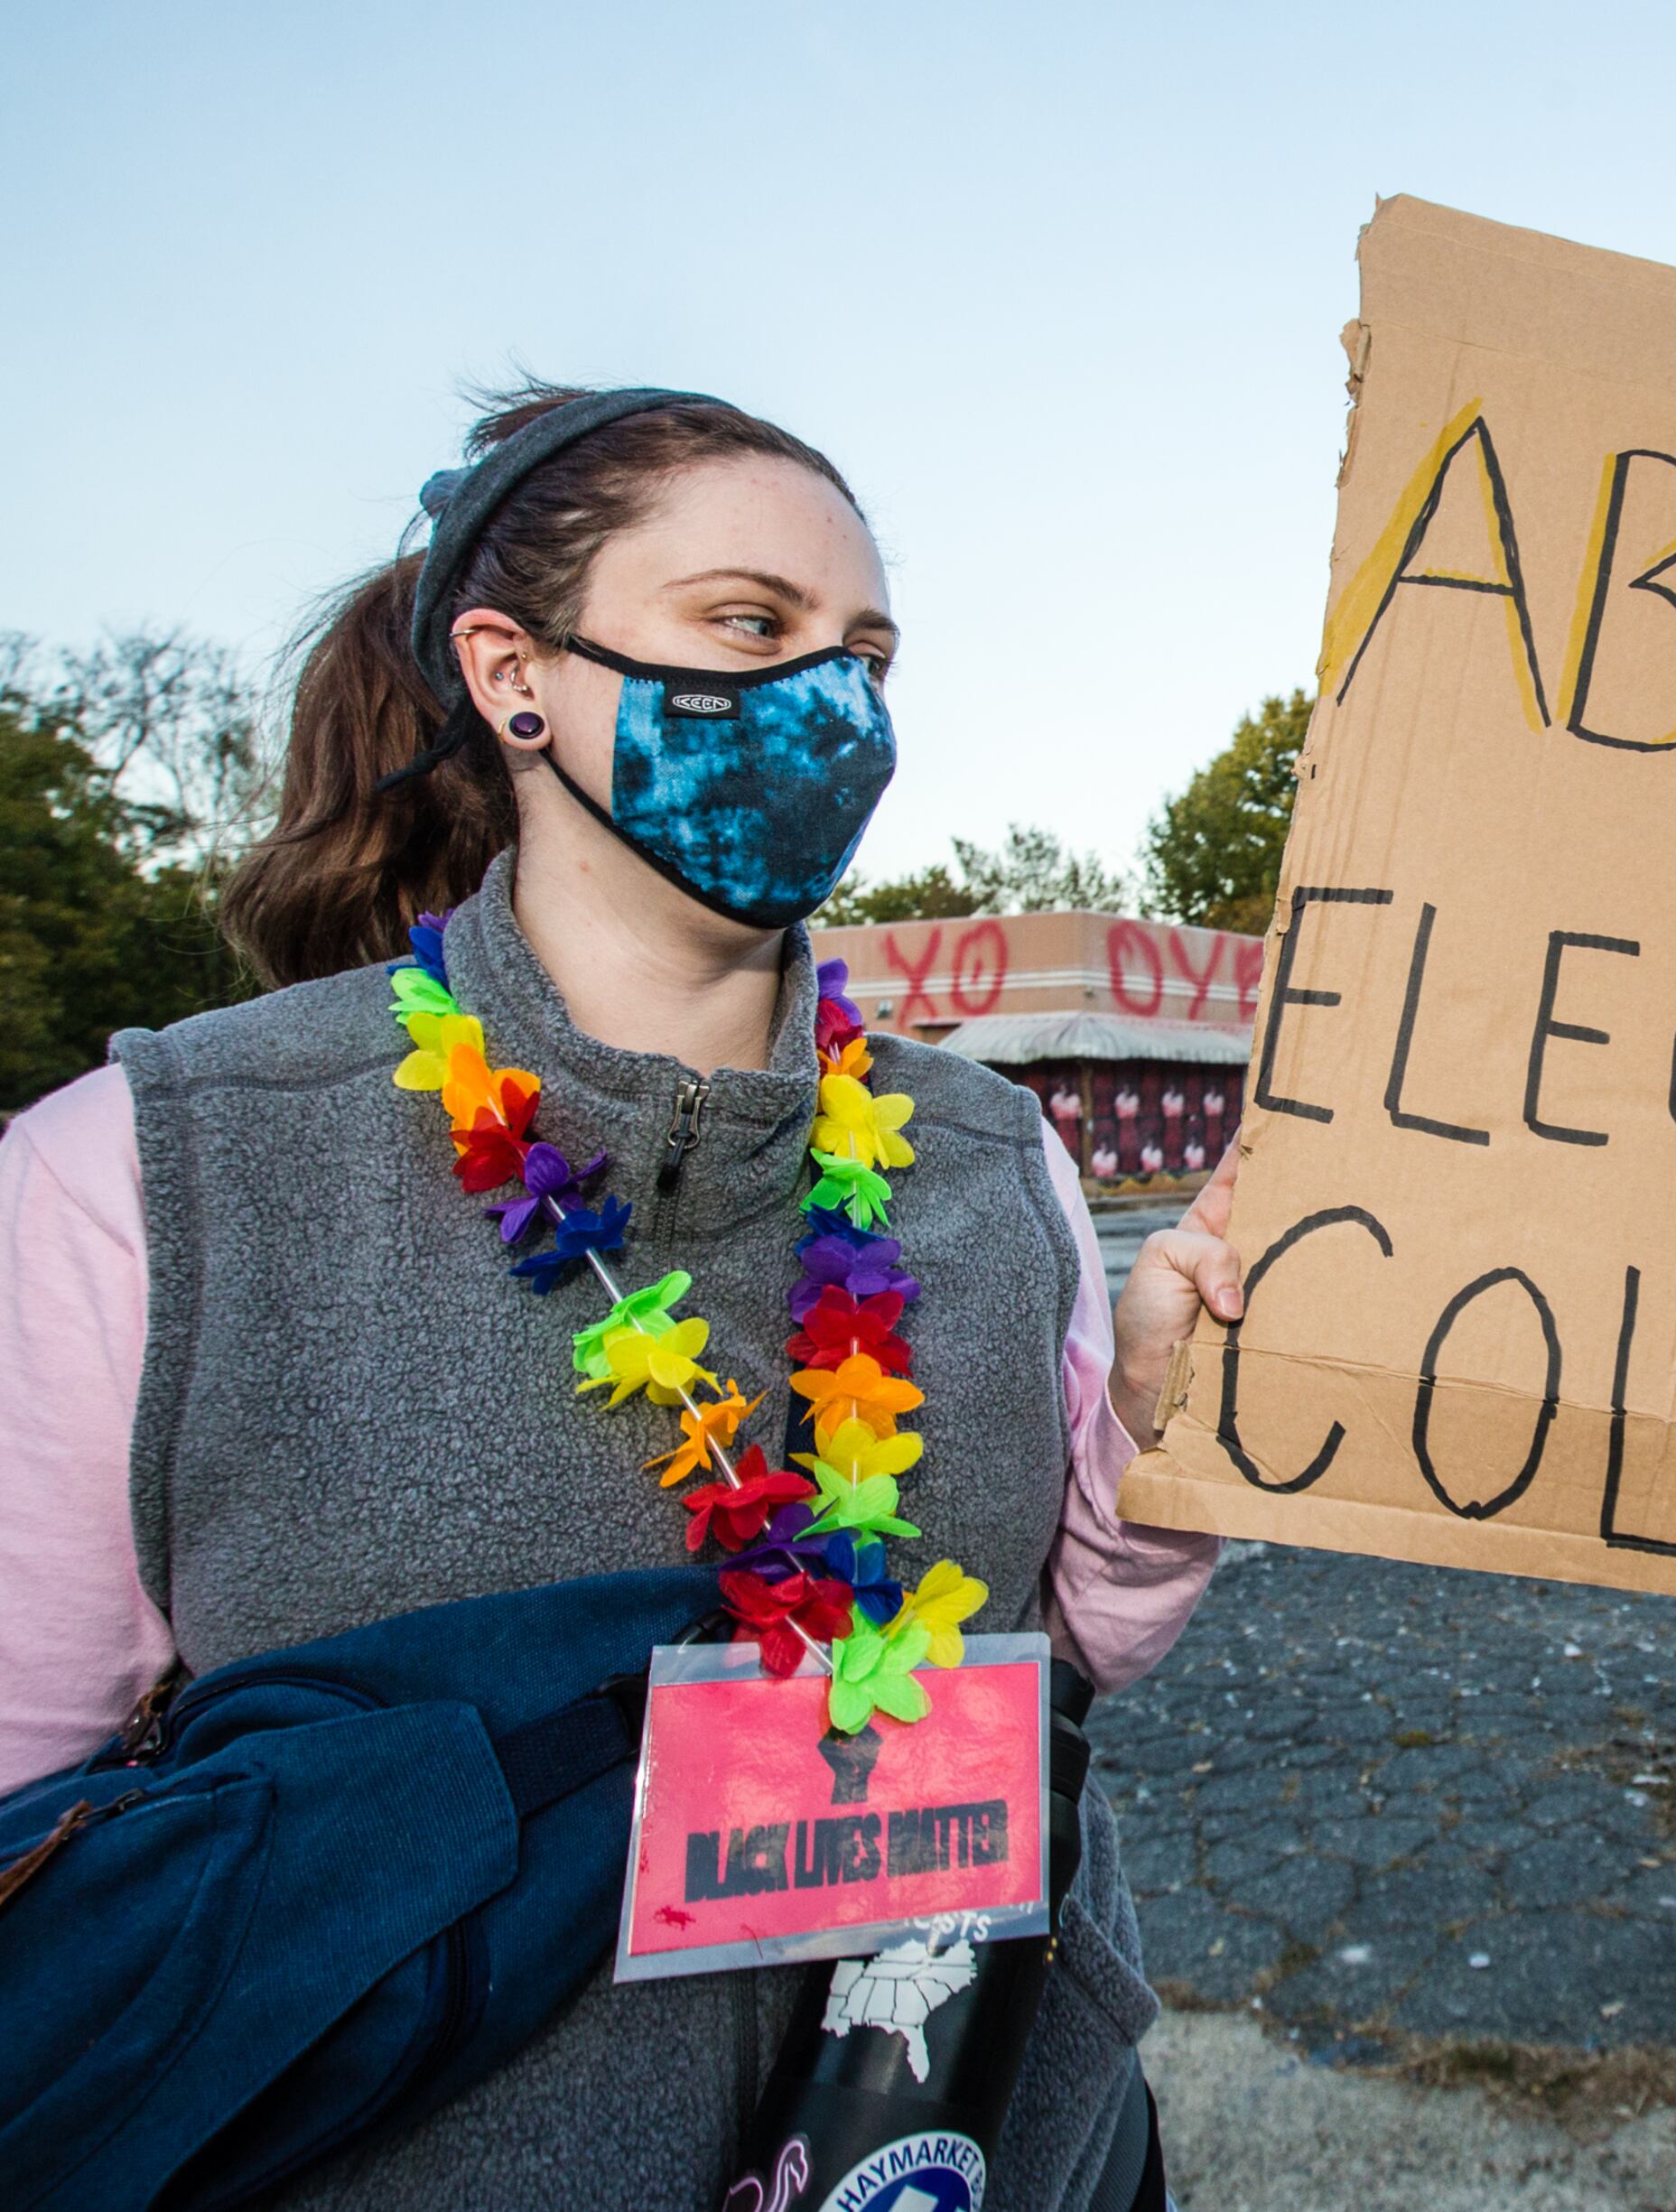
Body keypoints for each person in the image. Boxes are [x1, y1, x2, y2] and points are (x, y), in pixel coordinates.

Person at [0, 386, 1249, 2209]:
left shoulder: (993, 1158)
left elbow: (1056, 1661)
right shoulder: (148, 1174)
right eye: (751, 626)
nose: (836, 704)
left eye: (868, 653)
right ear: (515, 674)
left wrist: (1158, 1436)